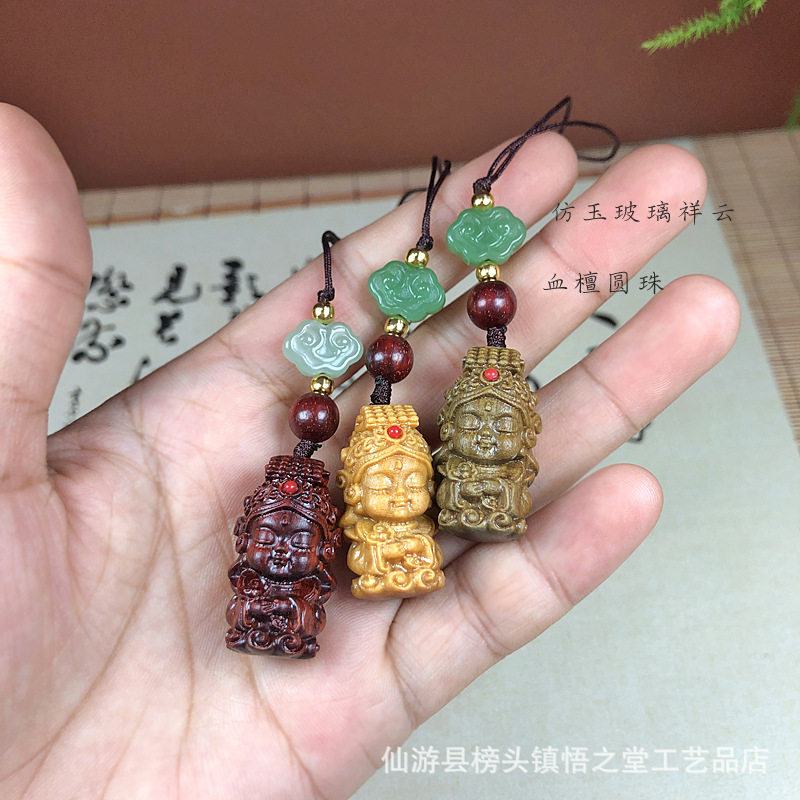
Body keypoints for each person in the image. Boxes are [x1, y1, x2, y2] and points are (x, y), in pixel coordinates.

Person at [0, 104, 739, 799]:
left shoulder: (429, 449)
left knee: (443, 467)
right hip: (344, 530)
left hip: (423, 501)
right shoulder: (309, 511)